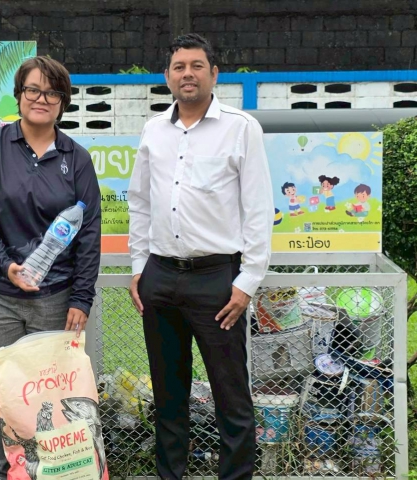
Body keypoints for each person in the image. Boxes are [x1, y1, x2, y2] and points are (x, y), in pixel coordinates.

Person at [128, 33, 273, 480]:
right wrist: (138, 268)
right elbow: (140, 202)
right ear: (167, 76)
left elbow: (258, 208)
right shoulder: (154, 130)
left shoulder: (240, 127)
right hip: (160, 277)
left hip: (217, 282)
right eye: (179, 67)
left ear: (214, 73)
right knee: (168, 394)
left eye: (196, 66)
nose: (187, 74)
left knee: (231, 395)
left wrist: (247, 282)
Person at [0, 56, 101, 480]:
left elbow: (89, 232)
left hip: (55, 299)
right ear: (19, 95)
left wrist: (81, 298)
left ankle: (50, 473)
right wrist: (6, 266)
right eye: (33, 89)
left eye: (52, 92)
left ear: (63, 102)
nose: (42, 98)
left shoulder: (76, 158)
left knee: (51, 396)